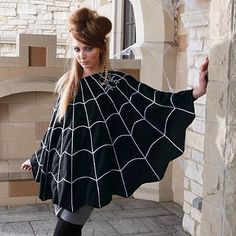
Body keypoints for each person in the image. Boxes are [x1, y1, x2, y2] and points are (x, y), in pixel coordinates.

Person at [21, 7, 209, 236]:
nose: (82, 55)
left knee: (64, 231)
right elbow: (56, 128)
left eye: (88, 48)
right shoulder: (68, 84)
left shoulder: (116, 83)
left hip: (90, 171)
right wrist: (37, 157)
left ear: (101, 48)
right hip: (65, 169)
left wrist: (195, 92)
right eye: (77, 49)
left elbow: (155, 103)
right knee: (70, 230)